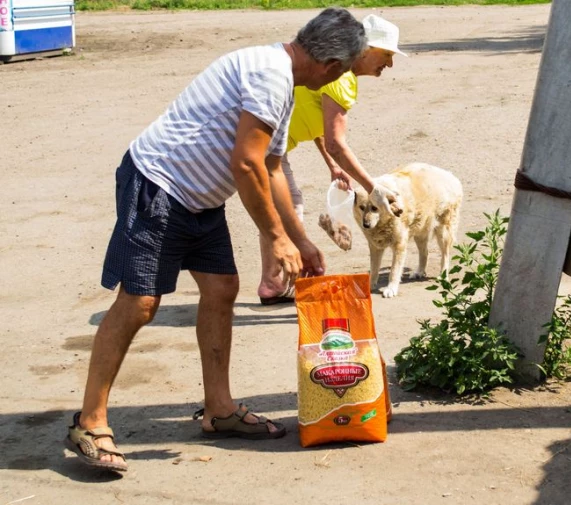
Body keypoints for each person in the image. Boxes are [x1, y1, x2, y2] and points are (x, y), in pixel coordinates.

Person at [63, 8, 367, 473]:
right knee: (140, 303)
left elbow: (269, 166)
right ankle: (90, 421)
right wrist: (275, 238)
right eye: (343, 71)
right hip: (160, 184)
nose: (338, 78)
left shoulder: (281, 76)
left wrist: (301, 241)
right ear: (331, 65)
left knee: (222, 289)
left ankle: (219, 410)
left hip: (200, 198)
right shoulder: (269, 76)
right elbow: (246, 164)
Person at [257, 14, 407, 305]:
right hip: (261, 143)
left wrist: (332, 164)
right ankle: (275, 283)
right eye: (386, 54)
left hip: (270, 143)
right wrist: (372, 187)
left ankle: (274, 282)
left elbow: (320, 129)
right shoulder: (342, 79)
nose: (390, 64)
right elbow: (337, 142)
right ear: (366, 48)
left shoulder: (336, 73)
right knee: (289, 207)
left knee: (285, 205)